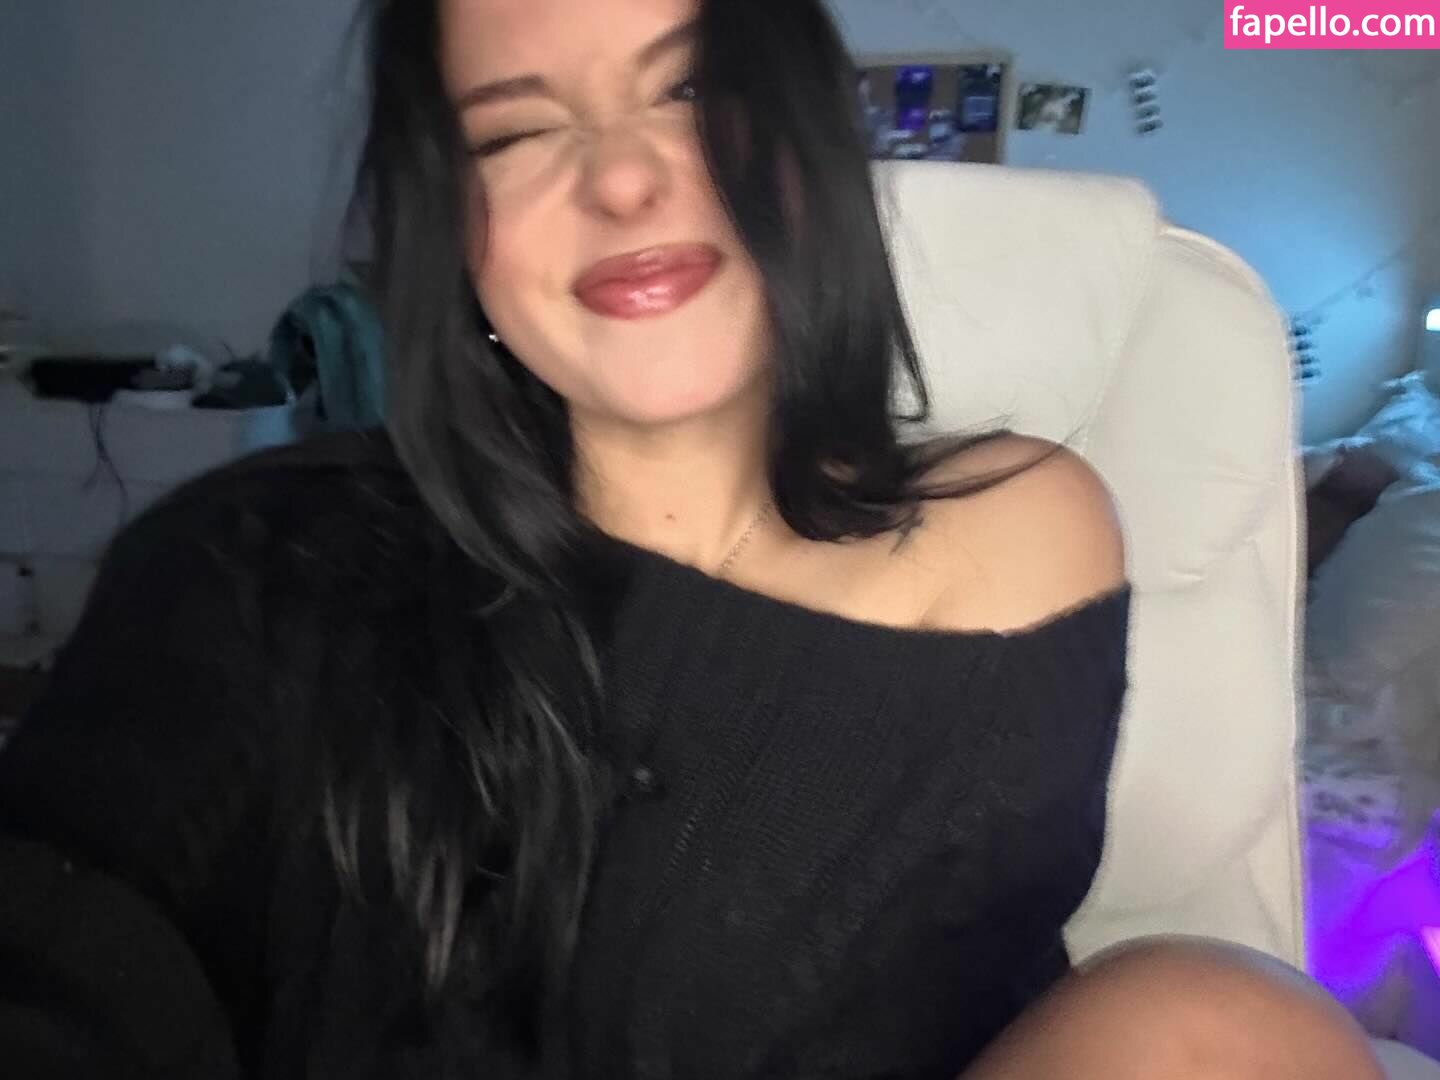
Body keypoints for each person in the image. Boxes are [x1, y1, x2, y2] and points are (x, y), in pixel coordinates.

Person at [0, 0, 1384, 1077]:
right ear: (456, 235)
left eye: (689, 90)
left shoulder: (1014, 530)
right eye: (516, 131)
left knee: (1232, 1022)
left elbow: (937, 981)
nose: (621, 180)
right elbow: (79, 930)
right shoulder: (257, 562)